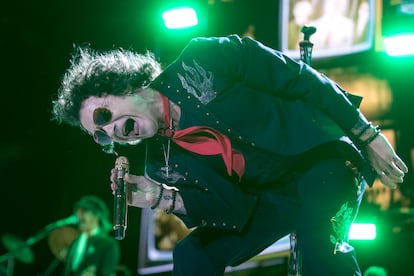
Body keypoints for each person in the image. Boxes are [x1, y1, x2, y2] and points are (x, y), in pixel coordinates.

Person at [52, 34, 408, 275]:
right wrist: (163, 198)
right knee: (190, 254)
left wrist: (365, 133)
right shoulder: (161, 164)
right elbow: (232, 211)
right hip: (272, 199)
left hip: (323, 159)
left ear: (122, 86)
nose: (110, 131)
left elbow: (299, 78)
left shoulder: (204, 58)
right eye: (100, 136)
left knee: (318, 241)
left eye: (103, 116)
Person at [64, 195, 120, 276]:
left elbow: (107, 272)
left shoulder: (108, 244)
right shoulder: (75, 242)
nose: (79, 215)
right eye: (78, 211)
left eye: (84, 211)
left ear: (96, 215)